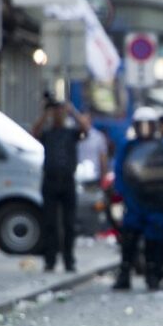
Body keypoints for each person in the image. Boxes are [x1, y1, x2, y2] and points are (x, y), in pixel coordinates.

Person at [112, 107, 163, 290]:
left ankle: (153, 275)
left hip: (157, 201)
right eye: (141, 125)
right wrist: (123, 194)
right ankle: (124, 274)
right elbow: (120, 171)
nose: (145, 129)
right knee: (129, 239)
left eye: (148, 125)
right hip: (135, 200)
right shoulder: (128, 146)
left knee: (155, 242)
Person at [31, 98, 91, 272]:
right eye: (56, 111)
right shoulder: (48, 133)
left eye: (60, 111)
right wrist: (45, 113)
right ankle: (50, 260)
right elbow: (34, 132)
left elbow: (86, 129)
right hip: (50, 180)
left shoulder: (71, 133)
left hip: (67, 181)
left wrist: (72, 110)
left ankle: (69, 260)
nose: (58, 114)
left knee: (69, 224)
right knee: (50, 223)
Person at [77, 115, 108, 184]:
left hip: (94, 178)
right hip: (77, 177)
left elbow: (103, 158)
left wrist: (104, 177)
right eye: (81, 122)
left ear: (90, 121)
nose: (83, 123)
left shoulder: (98, 137)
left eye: (85, 121)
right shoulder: (74, 136)